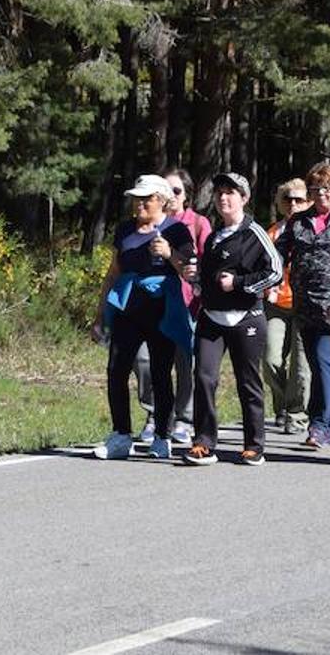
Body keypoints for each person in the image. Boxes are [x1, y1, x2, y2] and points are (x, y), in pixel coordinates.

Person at [90, 175, 197, 461]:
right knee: (116, 369)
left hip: (161, 309)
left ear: (161, 200)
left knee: (161, 374)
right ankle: (121, 435)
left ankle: (162, 436)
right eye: (136, 198)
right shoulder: (125, 229)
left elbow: (189, 271)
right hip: (127, 308)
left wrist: (169, 253)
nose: (139, 204)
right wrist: (100, 315)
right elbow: (113, 272)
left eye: (146, 198)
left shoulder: (177, 231)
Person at [182, 172, 282, 466]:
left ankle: (254, 445)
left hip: (246, 318)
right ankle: (203, 442)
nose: (223, 197)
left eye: (231, 192)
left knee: (247, 382)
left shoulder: (255, 233)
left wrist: (238, 283)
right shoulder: (214, 236)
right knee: (203, 378)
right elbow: (208, 280)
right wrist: (195, 277)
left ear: (244, 198)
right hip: (212, 318)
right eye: (219, 192)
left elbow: (275, 271)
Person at [275, 162, 330, 449]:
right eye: (316, 189)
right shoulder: (297, 221)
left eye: (328, 188)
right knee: (321, 369)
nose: (323, 194)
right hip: (307, 309)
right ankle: (323, 424)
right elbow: (277, 256)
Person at [134, 167, 211, 448]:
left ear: (186, 195)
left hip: (188, 304)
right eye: (165, 190)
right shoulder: (145, 222)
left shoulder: (198, 223)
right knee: (144, 361)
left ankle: (183, 419)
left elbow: (206, 262)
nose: (171, 195)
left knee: (183, 363)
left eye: (176, 190)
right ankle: (154, 415)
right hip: (150, 306)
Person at [262, 178, 311, 435]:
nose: (293, 204)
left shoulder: (314, 230)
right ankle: (281, 406)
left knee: (301, 368)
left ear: (309, 202)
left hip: (305, 306)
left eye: (299, 199)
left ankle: (297, 415)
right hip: (276, 305)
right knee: (270, 359)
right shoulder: (272, 233)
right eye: (287, 199)